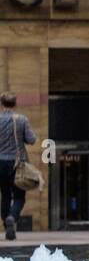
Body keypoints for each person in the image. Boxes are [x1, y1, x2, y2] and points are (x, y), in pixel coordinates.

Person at [0, 91, 37, 241]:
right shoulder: (21, 120)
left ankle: (7, 224)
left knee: (5, 196)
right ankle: (12, 217)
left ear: (2, 104)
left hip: (0, 163)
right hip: (17, 164)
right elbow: (32, 139)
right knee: (19, 197)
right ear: (15, 104)